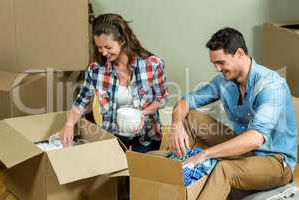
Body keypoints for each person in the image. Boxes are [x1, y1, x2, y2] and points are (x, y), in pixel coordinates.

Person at [169, 27, 297, 199]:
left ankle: (195, 169)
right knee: (190, 117)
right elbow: (185, 102)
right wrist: (177, 123)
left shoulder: (271, 85)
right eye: (214, 63)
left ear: (239, 53)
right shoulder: (224, 82)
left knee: (224, 169)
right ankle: (177, 171)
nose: (217, 69)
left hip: (275, 161)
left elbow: (255, 138)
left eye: (220, 62)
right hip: (243, 150)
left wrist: (205, 154)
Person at [59, 13, 167, 153]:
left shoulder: (152, 65)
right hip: (113, 139)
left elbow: (161, 99)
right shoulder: (96, 70)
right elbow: (81, 102)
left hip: (146, 138)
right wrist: (68, 125)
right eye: (99, 48)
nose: (103, 53)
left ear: (122, 40)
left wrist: (142, 113)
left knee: (138, 173)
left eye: (108, 47)